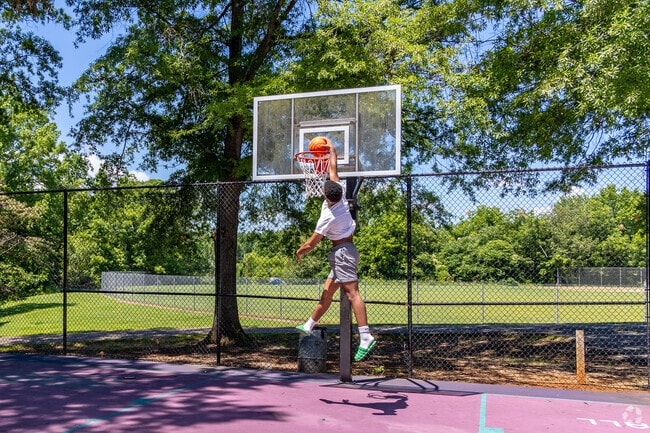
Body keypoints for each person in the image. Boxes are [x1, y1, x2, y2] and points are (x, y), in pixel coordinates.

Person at [295, 138, 376, 362]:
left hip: (344, 253)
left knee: (353, 294)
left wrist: (299, 252)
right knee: (328, 291)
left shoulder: (328, 216)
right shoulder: (338, 193)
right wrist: (330, 147)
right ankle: (310, 324)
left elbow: (311, 243)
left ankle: (366, 336)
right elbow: (333, 167)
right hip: (342, 253)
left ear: (324, 194)